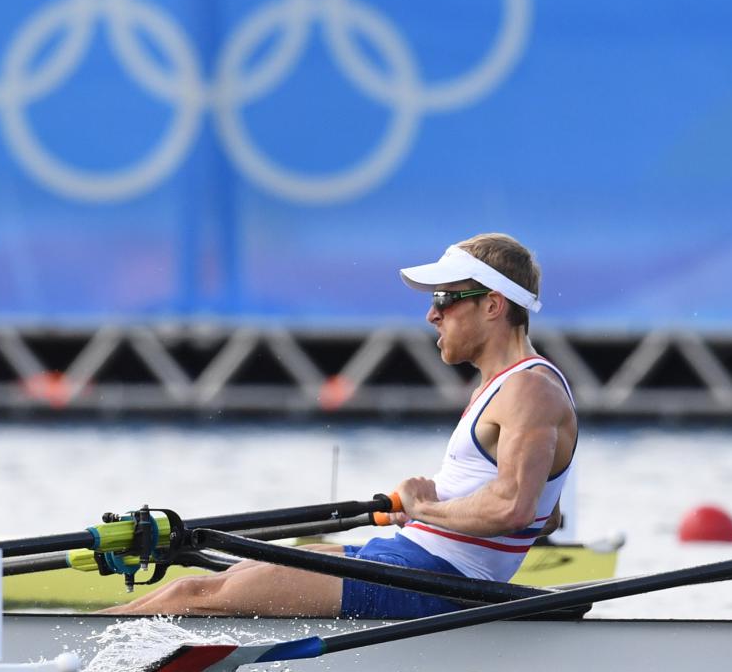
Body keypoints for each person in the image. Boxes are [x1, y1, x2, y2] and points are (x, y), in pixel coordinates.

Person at [102, 233, 579, 618]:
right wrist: (430, 509)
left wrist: (425, 507)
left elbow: (515, 510)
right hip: (411, 558)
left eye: (446, 298)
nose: (432, 313)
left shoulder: (528, 390)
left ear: (493, 305)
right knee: (204, 583)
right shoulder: (508, 388)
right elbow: (546, 516)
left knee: (191, 597)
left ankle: (61, 658)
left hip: (433, 580)